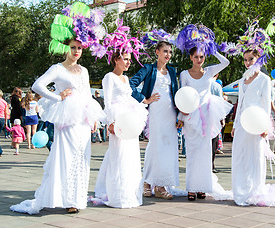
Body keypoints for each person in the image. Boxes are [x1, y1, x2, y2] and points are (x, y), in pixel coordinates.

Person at [10, 2, 105, 215]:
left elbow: (88, 94)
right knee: (68, 155)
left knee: (83, 155)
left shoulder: (85, 70)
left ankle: (77, 198)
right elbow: (37, 86)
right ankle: (67, 199)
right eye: (73, 47)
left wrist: (95, 118)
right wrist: (57, 96)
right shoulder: (57, 69)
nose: (77, 51)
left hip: (83, 118)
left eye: (80, 48)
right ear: (66, 47)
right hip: (68, 117)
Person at [224, 17, 275, 207]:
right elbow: (240, 103)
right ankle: (241, 189)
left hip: (257, 124)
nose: (248, 62)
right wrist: (236, 124)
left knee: (255, 157)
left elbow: (266, 104)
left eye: (251, 59)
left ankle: (255, 190)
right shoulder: (242, 80)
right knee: (239, 156)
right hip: (242, 124)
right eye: (245, 60)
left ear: (258, 58)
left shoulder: (265, 79)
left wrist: (265, 126)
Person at [176, 24, 233, 201]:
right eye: (196, 57)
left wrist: (212, 48)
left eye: (201, 56)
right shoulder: (184, 74)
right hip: (190, 116)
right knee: (191, 152)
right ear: (191, 57)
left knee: (205, 152)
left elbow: (226, 62)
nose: (199, 59)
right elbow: (181, 96)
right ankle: (191, 188)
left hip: (207, 116)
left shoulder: (209, 71)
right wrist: (180, 117)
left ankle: (203, 187)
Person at [94, 49, 148, 208]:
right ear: (116, 60)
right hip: (118, 120)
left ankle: (130, 193)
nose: (128, 62)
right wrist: (111, 122)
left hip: (129, 118)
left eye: (129, 59)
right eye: (125, 59)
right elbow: (108, 101)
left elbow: (129, 97)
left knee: (131, 155)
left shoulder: (125, 78)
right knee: (118, 156)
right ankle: (118, 195)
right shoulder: (109, 77)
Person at [130, 39, 180, 200]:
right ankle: (151, 183)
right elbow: (130, 84)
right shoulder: (149, 69)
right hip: (156, 114)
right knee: (156, 147)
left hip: (170, 114)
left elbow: (177, 93)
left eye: (170, 52)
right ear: (157, 52)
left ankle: (154, 184)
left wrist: (180, 114)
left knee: (168, 148)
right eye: (165, 51)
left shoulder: (172, 71)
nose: (168, 54)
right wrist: (144, 99)